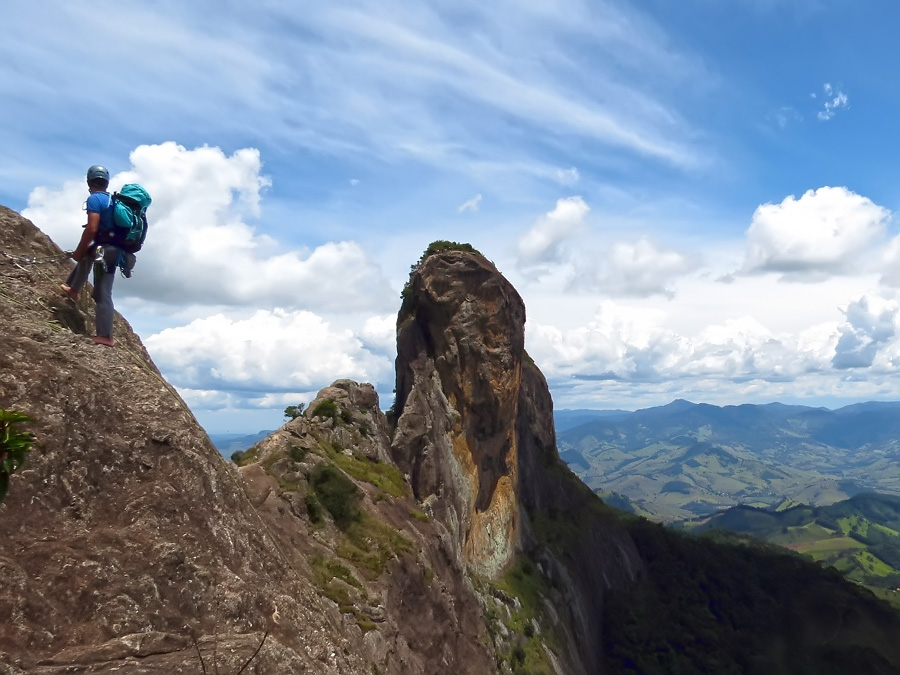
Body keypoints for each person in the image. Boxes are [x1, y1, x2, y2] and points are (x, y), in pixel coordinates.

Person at [60, 165, 121, 347]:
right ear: (106, 182)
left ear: (89, 182)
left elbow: (92, 229)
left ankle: (105, 336)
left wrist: (78, 250)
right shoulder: (112, 200)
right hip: (113, 249)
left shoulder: (95, 199)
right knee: (88, 255)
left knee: (103, 294)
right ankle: (73, 288)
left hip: (104, 251)